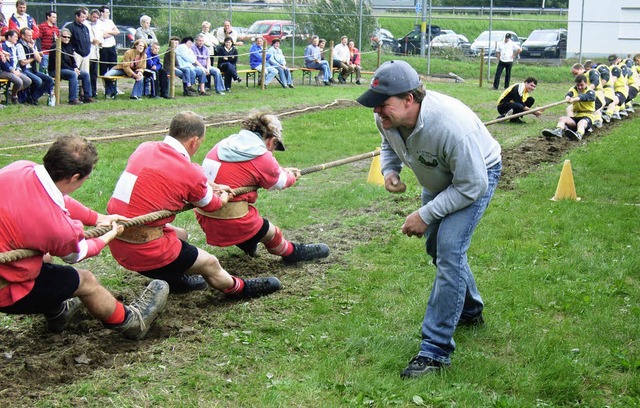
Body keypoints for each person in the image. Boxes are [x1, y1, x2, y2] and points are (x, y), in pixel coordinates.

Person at [356, 60, 502, 379]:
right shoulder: (387, 117)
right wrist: (390, 170)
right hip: (439, 179)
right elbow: (388, 142)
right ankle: (470, 310)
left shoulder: (450, 126)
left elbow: (472, 185)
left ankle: (435, 352)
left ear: (410, 99)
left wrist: (425, 213)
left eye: (384, 105)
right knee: (437, 250)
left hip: (476, 176)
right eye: (375, 106)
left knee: (449, 251)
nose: (378, 112)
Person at [0, 135, 169, 340]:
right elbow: (76, 253)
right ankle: (132, 322)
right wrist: (109, 236)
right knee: (85, 280)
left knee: (44, 258)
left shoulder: (19, 168)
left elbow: (59, 199)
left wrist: (98, 218)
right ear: (74, 178)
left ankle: (58, 313)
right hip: (5, 290)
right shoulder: (58, 227)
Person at [107, 111, 282, 298]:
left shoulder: (145, 148)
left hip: (116, 239)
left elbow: (175, 175)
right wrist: (222, 195)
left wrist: (209, 184)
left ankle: (174, 278)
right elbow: (212, 204)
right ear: (194, 141)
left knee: (181, 234)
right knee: (210, 263)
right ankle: (238, 289)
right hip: (145, 250)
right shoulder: (189, 172)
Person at [197, 111, 330, 263]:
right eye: (274, 146)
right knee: (271, 232)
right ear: (272, 140)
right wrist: (291, 176)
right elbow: (279, 182)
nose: (272, 152)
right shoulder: (261, 155)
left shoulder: (223, 144)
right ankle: (291, 253)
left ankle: (247, 242)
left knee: (251, 227)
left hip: (204, 216)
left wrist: (282, 170)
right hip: (233, 219)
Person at [542, 74, 596, 141]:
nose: (579, 87)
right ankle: (558, 131)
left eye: (581, 85)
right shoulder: (574, 89)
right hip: (576, 116)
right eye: (578, 85)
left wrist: (574, 99)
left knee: (581, 123)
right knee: (562, 119)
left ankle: (579, 134)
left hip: (587, 116)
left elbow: (583, 97)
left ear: (586, 83)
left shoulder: (591, 92)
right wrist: (567, 98)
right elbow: (569, 94)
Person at [47, 27, 91, 105]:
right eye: (64, 37)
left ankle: (87, 97)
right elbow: (60, 63)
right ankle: (73, 99)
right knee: (73, 74)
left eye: (68, 37)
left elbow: (72, 60)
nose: (66, 39)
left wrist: (76, 68)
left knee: (85, 74)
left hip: (68, 69)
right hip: (56, 70)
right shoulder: (55, 46)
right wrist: (73, 70)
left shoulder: (69, 46)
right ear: (60, 36)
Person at [17, 27, 53, 105]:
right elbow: (23, 62)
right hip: (24, 69)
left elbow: (39, 60)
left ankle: (33, 97)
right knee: (38, 81)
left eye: (31, 35)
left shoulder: (32, 44)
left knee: (49, 80)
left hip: (32, 69)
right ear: (22, 36)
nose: (31, 38)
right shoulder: (19, 45)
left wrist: (32, 48)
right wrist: (33, 57)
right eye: (28, 36)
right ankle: (30, 98)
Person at [67, 8, 94, 103]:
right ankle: (76, 95)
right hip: (76, 54)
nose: (83, 19)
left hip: (85, 54)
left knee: (86, 75)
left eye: (85, 17)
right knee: (76, 74)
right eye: (82, 17)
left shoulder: (85, 27)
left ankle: (86, 95)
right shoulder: (70, 27)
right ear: (77, 16)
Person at [1, 29, 31, 104]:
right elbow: (3, 63)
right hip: (4, 71)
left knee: (27, 81)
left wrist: (17, 69)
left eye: (17, 37)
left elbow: (16, 61)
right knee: (19, 82)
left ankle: (11, 93)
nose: (17, 38)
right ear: (9, 37)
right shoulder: (4, 46)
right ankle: (14, 97)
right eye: (15, 37)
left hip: (14, 70)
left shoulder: (14, 47)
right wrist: (12, 70)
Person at [98, 6, 119, 99]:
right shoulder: (98, 23)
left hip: (112, 47)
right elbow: (101, 35)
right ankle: (108, 90)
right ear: (101, 13)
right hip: (103, 47)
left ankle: (114, 89)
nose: (108, 14)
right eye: (106, 12)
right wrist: (110, 33)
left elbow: (117, 32)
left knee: (113, 68)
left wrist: (108, 33)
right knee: (103, 69)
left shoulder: (110, 22)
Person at [86, 9, 103, 99]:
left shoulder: (99, 25)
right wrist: (92, 41)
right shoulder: (86, 24)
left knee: (94, 74)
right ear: (90, 15)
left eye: (97, 17)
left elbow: (101, 36)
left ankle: (94, 91)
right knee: (87, 73)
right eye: (94, 17)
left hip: (96, 53)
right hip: (87, 53)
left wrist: (100, 42)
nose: (95, 19)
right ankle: (87, 91)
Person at [37, 10, 58, 75]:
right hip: (44, 53)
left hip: (53, 53)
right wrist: (40, 50)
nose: (55, 19)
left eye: (56, 17)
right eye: (53, 17)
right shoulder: (42, 26)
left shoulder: (56, 28)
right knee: (44, 71)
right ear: (48, 17)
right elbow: (38, 39)